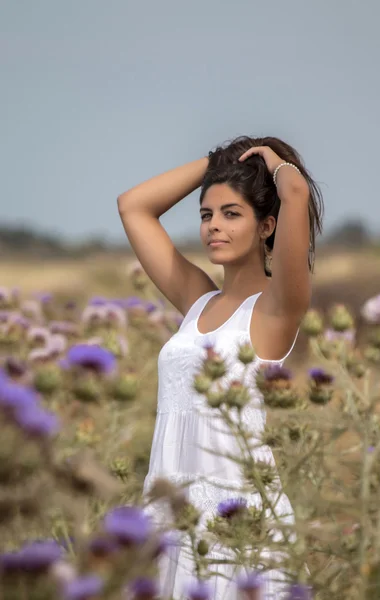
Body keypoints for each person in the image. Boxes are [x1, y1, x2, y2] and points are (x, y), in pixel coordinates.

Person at [117, 136, 324, 599]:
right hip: (169, 515)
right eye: (207, 215)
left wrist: (276, 163)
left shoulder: (275, 307)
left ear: (267, 225)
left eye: (232, 214)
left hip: (237, 522)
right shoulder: (197, 299)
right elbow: (133, 206)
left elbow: (296, 195)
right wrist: (217, 163)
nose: (214, 226)